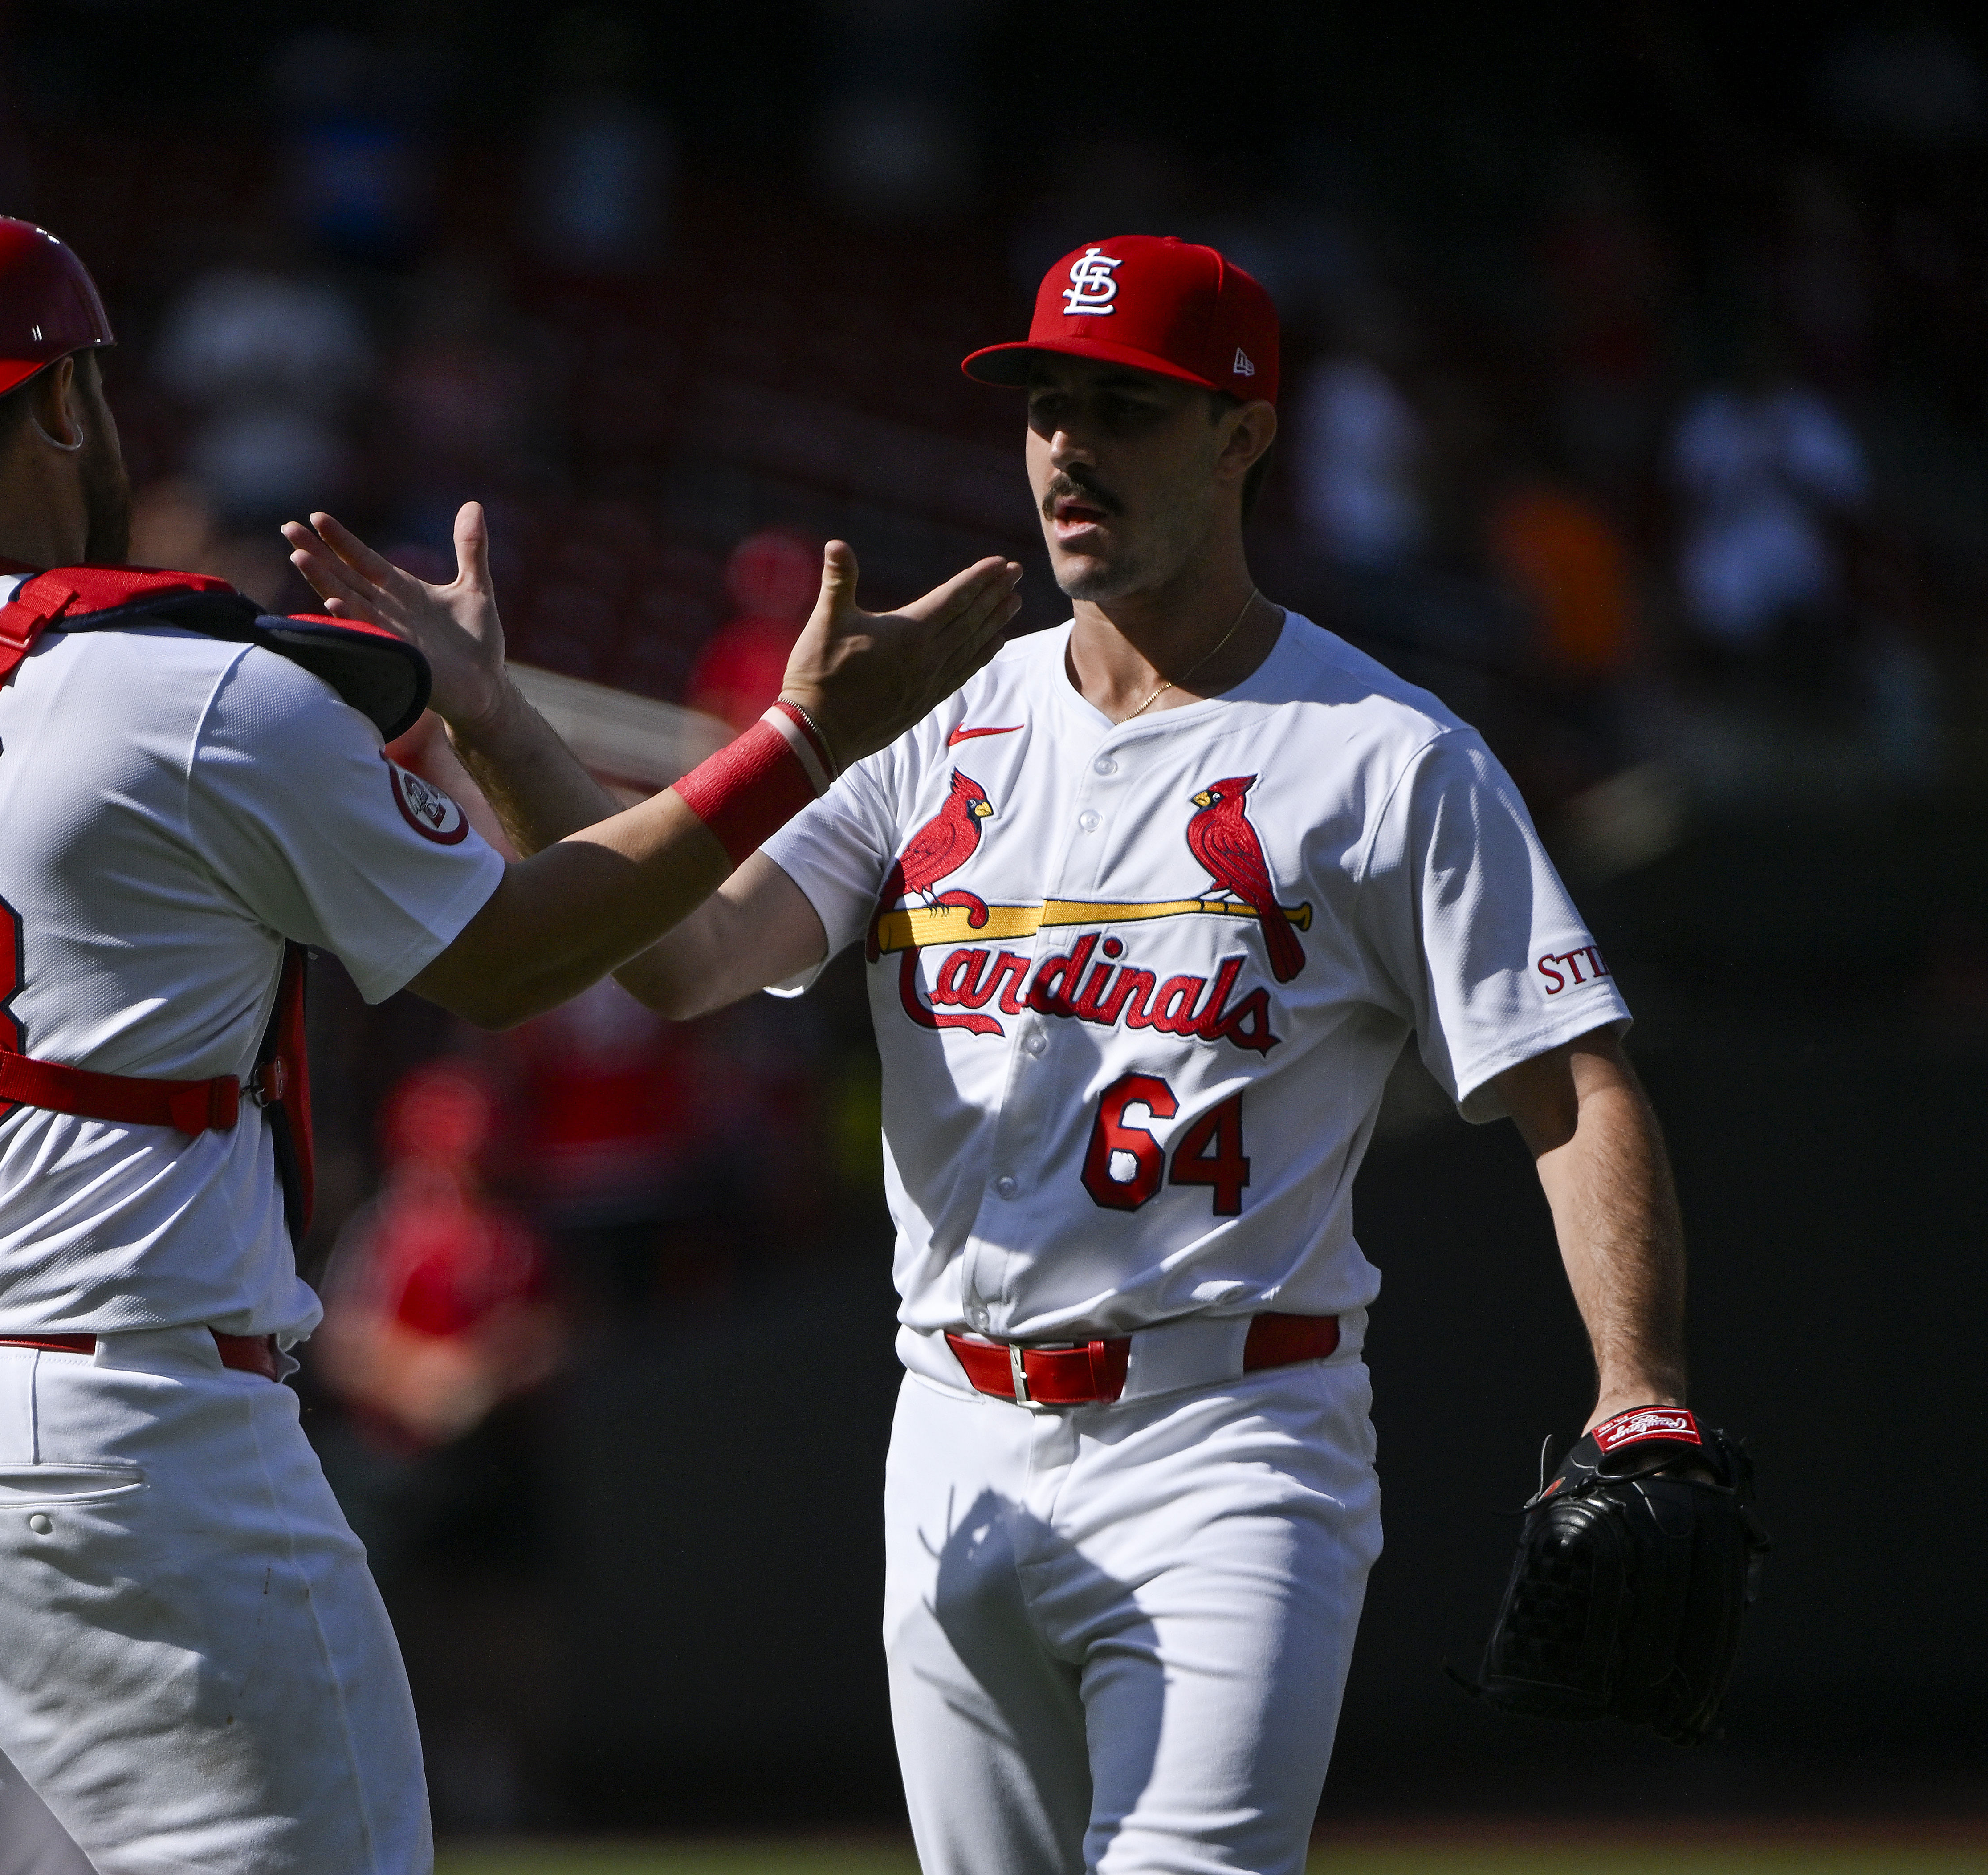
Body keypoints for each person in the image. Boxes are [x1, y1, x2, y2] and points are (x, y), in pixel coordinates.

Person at [0, 214, 1018, 1875]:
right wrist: (806, 733)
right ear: (57, 409)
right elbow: (520, 955)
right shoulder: (191, 691)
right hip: (109, 1432)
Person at [285, 234, 1696, 1875]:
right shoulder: (936, 728)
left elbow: (1571, 1082)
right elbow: (676, 957)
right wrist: (497, 723)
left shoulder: (1387, 760)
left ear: (1245, 437)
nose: (1065, 447)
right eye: (1041, 404)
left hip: (1229, 1435)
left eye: (1125, 408)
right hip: (951, 1430)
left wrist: (1640, 1394)